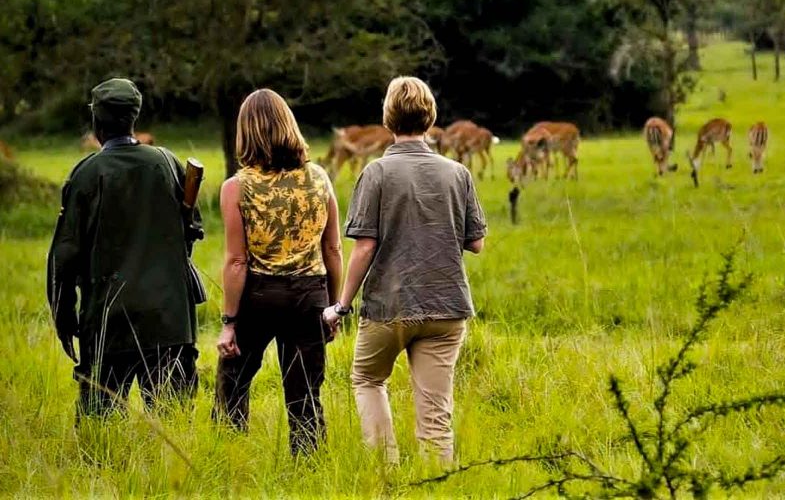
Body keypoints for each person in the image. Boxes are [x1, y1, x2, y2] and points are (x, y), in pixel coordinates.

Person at [323, 76, 487, 464]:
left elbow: (364, 246)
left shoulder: (376, 173)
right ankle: (437, 485)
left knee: (367, 379)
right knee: (436, 412)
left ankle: (386, 471)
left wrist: (340, 307)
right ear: (431, 118)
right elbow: (476, 242)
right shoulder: (458, 173)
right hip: (446, 306)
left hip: (388, 306)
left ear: (388, 118)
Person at [47, 78, 202, 419]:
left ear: (96, 122)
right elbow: (193, 231)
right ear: (135, 117)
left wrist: (63, 318)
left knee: (99, 427)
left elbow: (65, 256)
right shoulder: (168, 163)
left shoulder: (87, 174)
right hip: (169, 321)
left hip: (108, 321)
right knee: (173, 427)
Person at [213, 88, 342, 455]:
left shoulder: (236, 187)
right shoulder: (319, 178)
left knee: (232, 383)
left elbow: (237, 261)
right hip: (310, 295)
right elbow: (332, 248)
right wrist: (334, 307)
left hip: (259, 295)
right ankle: (309, 471)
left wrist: (229, 321)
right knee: (305, 394)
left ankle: (228, 458)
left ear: (246, 132)